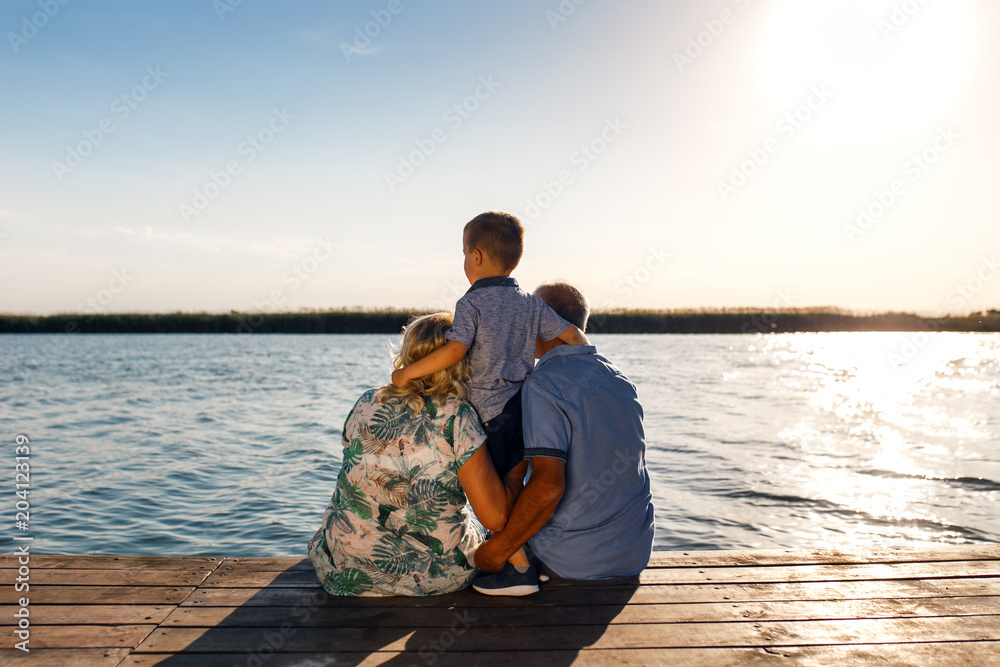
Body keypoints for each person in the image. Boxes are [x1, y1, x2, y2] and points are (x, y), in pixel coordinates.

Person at [390, 212, 589, 594]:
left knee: (492, 501)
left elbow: (453, 351)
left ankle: (518, 571)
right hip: (526, 411)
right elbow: (571, 333)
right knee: (515, 484)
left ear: (477, 257)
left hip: (488, 415)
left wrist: (408, 373)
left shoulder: (472, 304)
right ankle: (524, 560)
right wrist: (589, 360)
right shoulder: (531, 304)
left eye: (464, 253)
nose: (464, 260)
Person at [307, 312, 520, 596]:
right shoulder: (457, 416)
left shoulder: (367, 401)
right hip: (431, 574)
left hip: (342, 566)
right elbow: (494, 517)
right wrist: (519, 461)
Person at [473, 282, 655, 584]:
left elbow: (548, 488)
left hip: (573, 562)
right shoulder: (619, 379)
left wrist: (493, 553)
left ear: (545, 322)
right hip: (635, 554)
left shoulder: (544, 384)